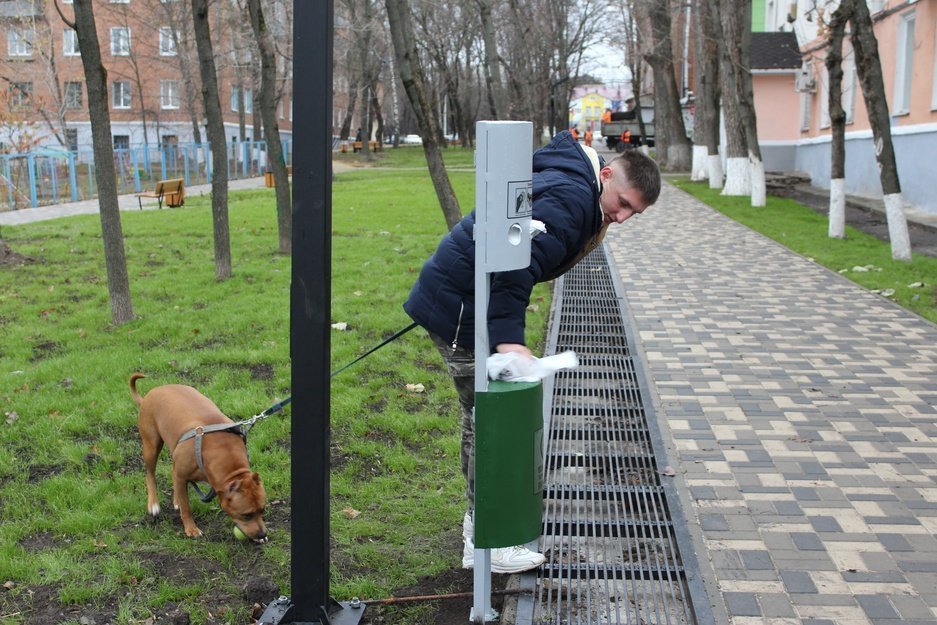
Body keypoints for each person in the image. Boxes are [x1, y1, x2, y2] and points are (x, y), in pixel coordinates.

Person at [403, 131, 661, 574]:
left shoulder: (574, 185)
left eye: (632, 214)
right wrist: (509, 341)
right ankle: (485, 540)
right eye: (622, 204)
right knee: (487, 419)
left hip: (460, 297)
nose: (620, 217)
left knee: (483, 415)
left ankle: (483, 530)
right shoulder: (572, 200)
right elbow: (514, 265)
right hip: (463, 309)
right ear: (604, 175)